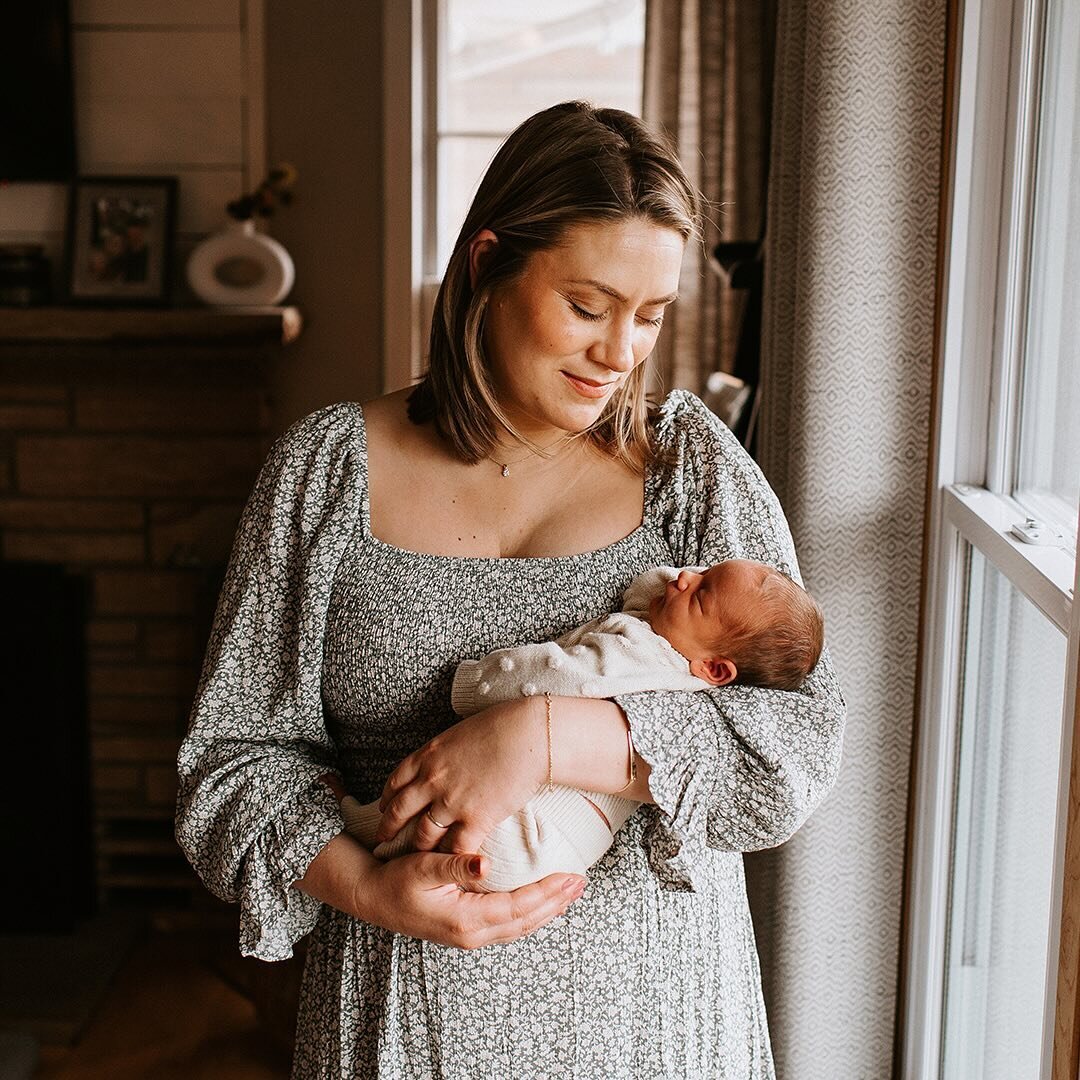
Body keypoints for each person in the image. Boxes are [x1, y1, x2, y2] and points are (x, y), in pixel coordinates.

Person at [175, 100, 846, 1078]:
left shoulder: (690, 467)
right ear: (488, 263)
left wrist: (544, 736)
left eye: (650, 315)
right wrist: (365, 886)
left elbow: (797, 745)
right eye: (588, 304)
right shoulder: (323, 474)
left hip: (652, 1030)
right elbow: (229, 764)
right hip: (401, 1025)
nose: (621, 351)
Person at [341, 559, 825, 892]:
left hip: (530, 834)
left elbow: (554, 677)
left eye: (700, 594)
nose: (681, 578)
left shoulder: (641, 658)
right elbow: (648, 593)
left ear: (716, 671)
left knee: (404, 823)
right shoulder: (686, 661)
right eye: (698, 572)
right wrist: (687, 592)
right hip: (570, 840)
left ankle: (346, 818)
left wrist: (476, 685)